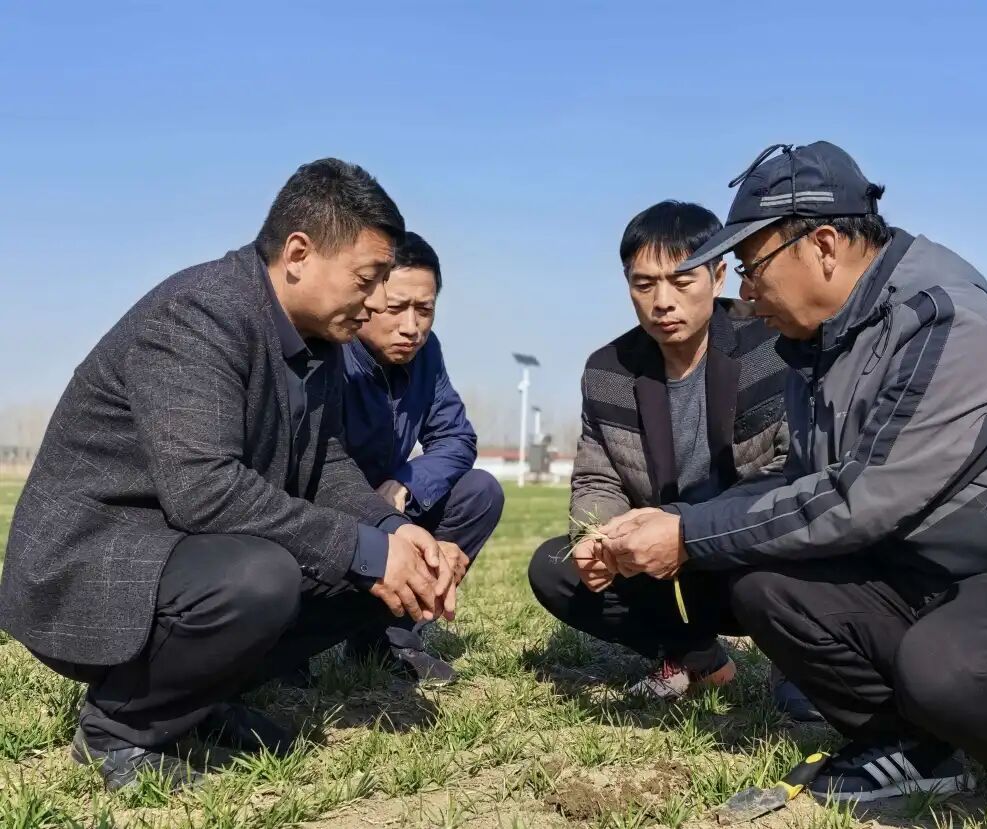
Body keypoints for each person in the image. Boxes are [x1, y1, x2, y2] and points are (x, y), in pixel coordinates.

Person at [597, 142, 987, 819]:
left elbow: (862, 496)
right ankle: (912, 748)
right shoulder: (820, 345)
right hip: (934, 567)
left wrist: (687, 535)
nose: (745, 291)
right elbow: (799, 481)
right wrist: (675, 520)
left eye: (752, 265)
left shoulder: (944, 320)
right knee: (767, 585)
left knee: (952, 665)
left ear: (823, 246)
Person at [0, 159, 459, 791]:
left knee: (361, 576)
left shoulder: (316, 340)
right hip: (96, 560)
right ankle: (120, 728)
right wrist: (365, 549)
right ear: (298, 253)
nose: (379, 301)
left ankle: (199, 701)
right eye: (367, 279)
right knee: (264, 575)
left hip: (180, 549)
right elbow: (205, 490)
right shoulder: (200, 314)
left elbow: (323, 461)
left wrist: (391, 530)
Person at [528, 201, 817, 719]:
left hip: (754, 550)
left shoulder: (772, 344)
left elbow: (795, 469)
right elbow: (598, 476)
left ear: (718, 275)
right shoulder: (608, 371)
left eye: (682, 281)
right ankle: (699, 660)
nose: (663, 302)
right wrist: (594, 537)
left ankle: (796, 662)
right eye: (644, 284)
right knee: (555, 568)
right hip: (666, 566)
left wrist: (689, 529)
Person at [340, 231, 504, 684]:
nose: (411, 327)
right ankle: (289, 644)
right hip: (329, 509)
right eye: (396, 308)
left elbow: (456, 437)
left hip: (393, 506)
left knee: (480, 492)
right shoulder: (329, 352)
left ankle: (388, 636)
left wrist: (407, 483)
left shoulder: (426, 354)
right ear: (366, 296)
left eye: (425, 310)